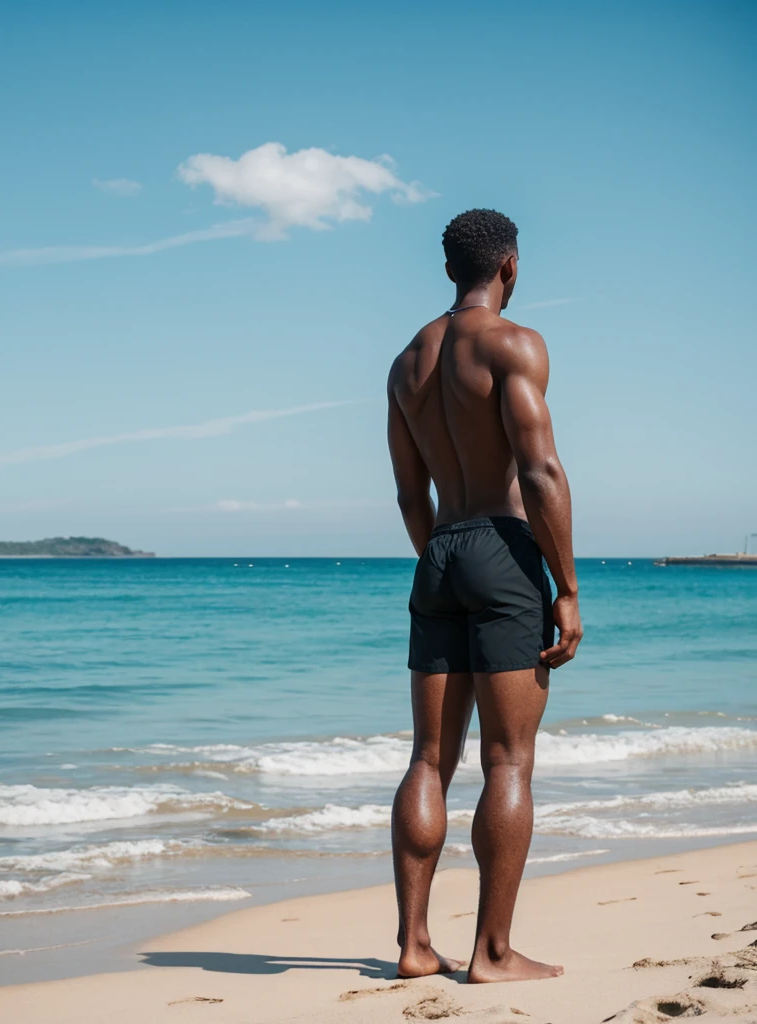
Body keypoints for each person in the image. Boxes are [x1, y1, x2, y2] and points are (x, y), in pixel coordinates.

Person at [386, 209, 582, 983]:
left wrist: (443, 561)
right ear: (509, 266)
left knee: (429, 758)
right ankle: (493, 953)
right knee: (509, 760)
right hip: (503, 550)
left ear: (447, 272)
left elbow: (409, 493)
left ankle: (413, 944)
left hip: (436, 552)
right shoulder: (514, 344)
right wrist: (565, 589)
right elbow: (542, 474)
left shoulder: (406, 361)